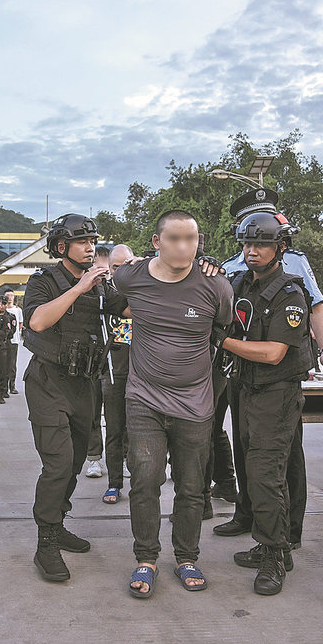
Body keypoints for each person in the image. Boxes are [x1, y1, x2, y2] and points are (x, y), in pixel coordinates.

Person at [112, 210, 233, 597]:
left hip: (195, 404)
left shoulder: (216, 287)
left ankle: (187, 557)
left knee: (192, 485)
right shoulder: (132, 276)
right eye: (175, 239)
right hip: (143, 399)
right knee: (145, 479)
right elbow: (110, 298)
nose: (184, 247)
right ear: (156, 242)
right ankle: (146, 558)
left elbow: (221, 330)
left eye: (191, 239)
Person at [215, 187, 323, 550]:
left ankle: (286, 532)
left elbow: (315, 307)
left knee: (282, 457)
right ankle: (247, 514)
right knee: (245, 446)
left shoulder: (292, 264)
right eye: (247, 234)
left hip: (276, 375)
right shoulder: (236, 266)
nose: (253, 244)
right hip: (242, 373)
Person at [22, 213, 129, 582]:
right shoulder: (43, 281)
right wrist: (79, 287)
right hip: (48, 381)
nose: (90, 248)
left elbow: (128, 309)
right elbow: (38, 321)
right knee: (58, 462)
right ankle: (46, 541)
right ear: (62, 246)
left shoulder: (101, 285)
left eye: (92, 242)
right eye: (83, 242)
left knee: (74, 462)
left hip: (85, 383)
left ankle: (58, 522)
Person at [101, 243, 136, 504]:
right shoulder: (103, 294)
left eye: (128, 265)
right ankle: (114, 483)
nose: (121, 271)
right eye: (116, 267)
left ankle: (140, 481)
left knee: (140, 432)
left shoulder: (145, 290)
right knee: (114, 430)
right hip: (113, 374)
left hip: (144, 375)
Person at [85, 243, 114, 479]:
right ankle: (94, 459)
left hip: (119, 361)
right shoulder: (84, 289)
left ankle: (120, 458)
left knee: (118, 415)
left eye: (106, 270)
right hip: (93, 360)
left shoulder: (119, 290)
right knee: (92, 412)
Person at [5, 288, 23, 395]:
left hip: (14, 341)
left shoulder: (18, 310)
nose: (9, 297)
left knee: (12, 365)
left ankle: (12, 386)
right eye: (7, 295)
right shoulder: (3, 310)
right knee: (3, 364)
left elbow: (20, 324)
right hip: (3, 341)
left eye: (11, 295)